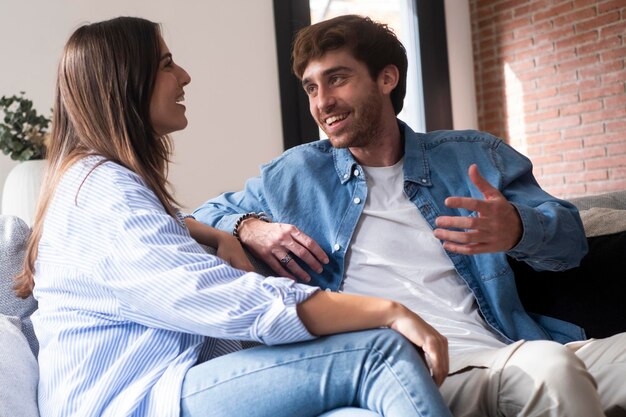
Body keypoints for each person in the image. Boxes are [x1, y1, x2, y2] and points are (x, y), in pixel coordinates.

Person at [13, 16, 456, 417]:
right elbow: (225, 299)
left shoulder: (93, 183)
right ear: (124, 81)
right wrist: (387, 311)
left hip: (158, 388)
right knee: (379, 352)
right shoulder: (102, 191)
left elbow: (148, 248)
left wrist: (220, 232)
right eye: (167, 65)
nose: (184, 77)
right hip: (133, 399)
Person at [193, 14, 626, 417]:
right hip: (424, 370)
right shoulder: (296, 174)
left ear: (386, 78)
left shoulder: (474, 154)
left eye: (337, 79)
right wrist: (248, 227)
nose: (323, 102)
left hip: (511, 343)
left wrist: (517, 228)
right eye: (311, 88)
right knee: (550, 369)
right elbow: (199, 215)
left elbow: (571, 242)